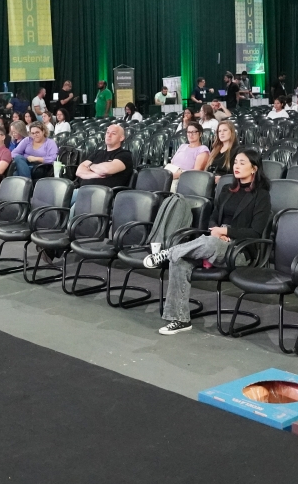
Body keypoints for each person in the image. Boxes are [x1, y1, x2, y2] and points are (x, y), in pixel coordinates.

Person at [144, 148, 271, 335]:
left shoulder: (262, 196)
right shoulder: (227, 190)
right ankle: (180, 319)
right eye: (235, 162)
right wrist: (216, 231)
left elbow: (256, 232)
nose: (236, 166)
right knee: (180, 260)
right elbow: (212, 218)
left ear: (254, 168)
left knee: (206, 245)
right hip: (215, 241)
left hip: (239, 251)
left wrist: (226, 232)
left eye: (242, 163)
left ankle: (168, 252)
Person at [74, 123, 134, 190]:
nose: (109, 135)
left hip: (104, 193)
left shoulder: (125, 155)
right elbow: (79, 171)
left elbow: (106, 170)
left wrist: (90, 166)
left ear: (121, 138)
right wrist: (96, 175)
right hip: (81, 190)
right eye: (107, 132)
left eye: (113, 133)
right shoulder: (97, 153)